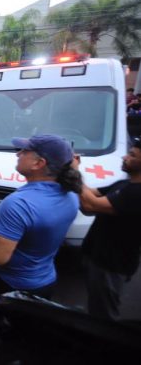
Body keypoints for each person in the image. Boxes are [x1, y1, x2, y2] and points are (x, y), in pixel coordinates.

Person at [0, 134, 82, 299]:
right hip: (45, 282)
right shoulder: (72, 196)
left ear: (39, 163)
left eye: (24, 151)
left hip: (9, 288)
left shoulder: (17, 204)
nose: (18, 154)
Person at [72, 137, 141, 320]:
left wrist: (74, 172)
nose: (125, 157)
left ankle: (103, 345)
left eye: (132, 155)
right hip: (97, 256)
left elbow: (90, 205)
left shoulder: (136, 193)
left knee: (104, 316)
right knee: (96, 302)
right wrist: (73, 170)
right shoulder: (125, 184)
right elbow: (90, 192)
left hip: (111, 264)